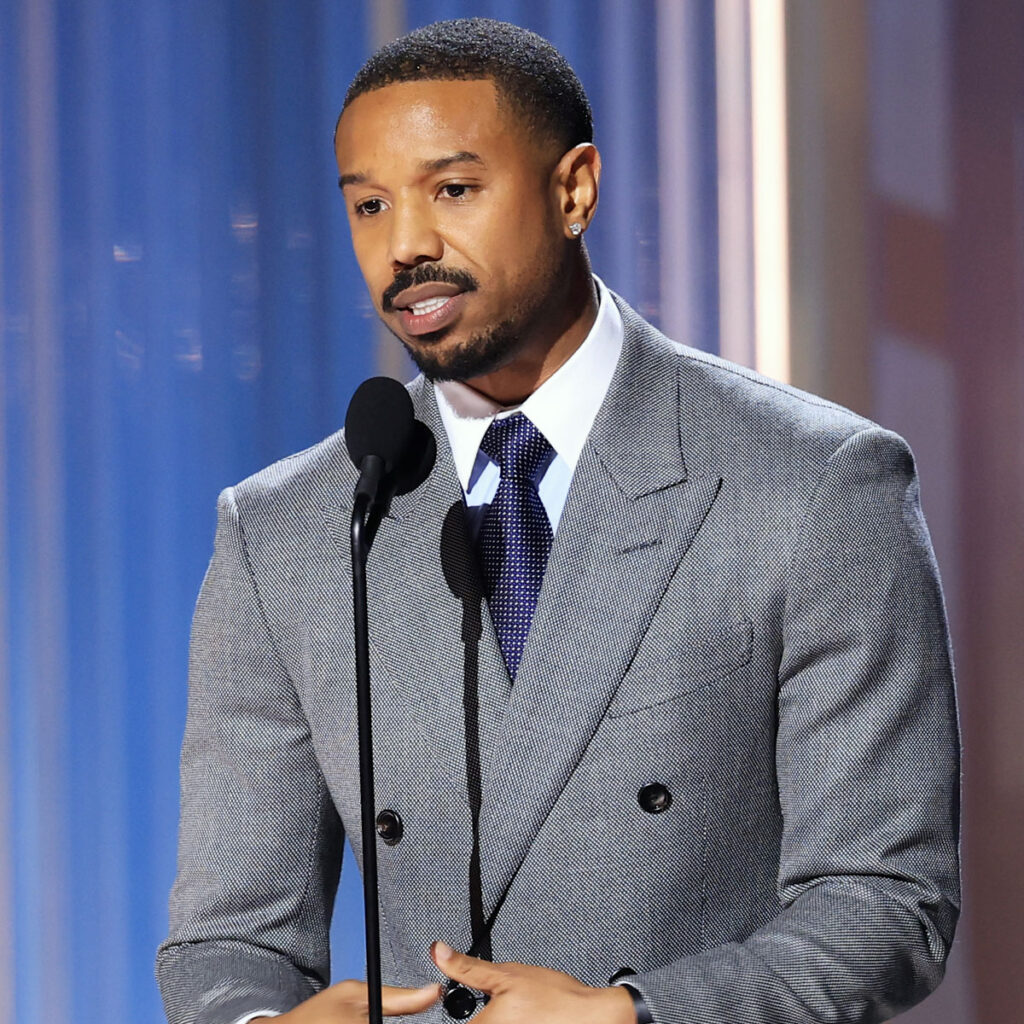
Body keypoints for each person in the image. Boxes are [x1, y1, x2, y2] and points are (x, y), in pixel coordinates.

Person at [156, 18, 960, 1024]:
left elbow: (887, 901)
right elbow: (230, 936)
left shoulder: (813, 484)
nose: (404, 244)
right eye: (369, 204)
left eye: (453, 189)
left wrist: (635, 1013)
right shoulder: (285, 533)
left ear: (573, 189)